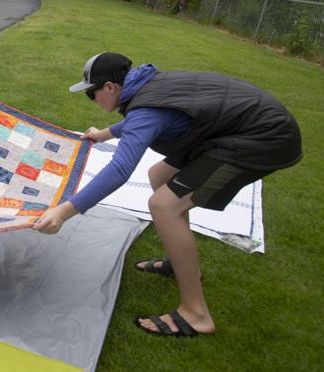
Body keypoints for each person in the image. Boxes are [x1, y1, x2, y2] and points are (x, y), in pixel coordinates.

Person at [33, 52, 302, 337]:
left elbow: (120, 168)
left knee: (164, 206)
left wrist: (63, 211)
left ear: (110, 87)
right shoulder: (147, 84)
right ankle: (181, 263)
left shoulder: (146, 107)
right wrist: (105, 134)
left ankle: (196, 314)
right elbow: (150, 114)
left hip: (264, 138)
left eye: (92, 94)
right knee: (158, 176)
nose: (93, 99)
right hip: (233, 130)